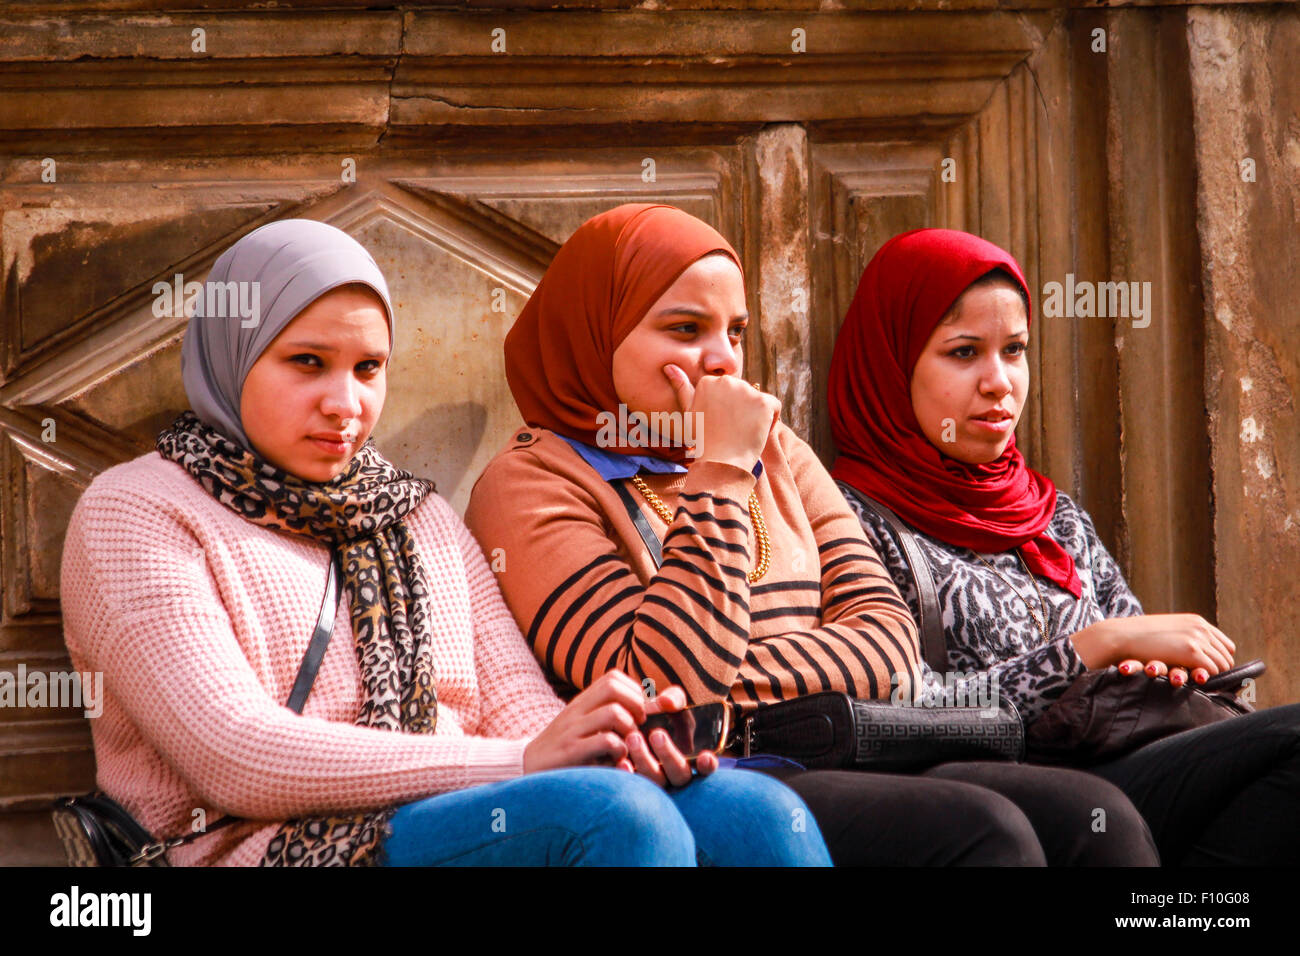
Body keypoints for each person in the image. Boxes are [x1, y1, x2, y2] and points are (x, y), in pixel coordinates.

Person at [58, 218, 832, 867]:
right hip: (251, 849)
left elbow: (522, 714)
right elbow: (235, 756)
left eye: (368, 368)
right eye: (306, 364)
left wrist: (616, 743)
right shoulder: (139, 511)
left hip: (456, 814)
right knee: (617, 819)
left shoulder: (412, 515)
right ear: (231, 356)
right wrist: (525, 764)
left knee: (753, 811)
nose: (346, 403)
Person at [465, 203, 1159, 866]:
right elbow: (658, 681)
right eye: (684, 331)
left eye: (734, 332)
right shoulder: (533, 481)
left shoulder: (779, 449)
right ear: (595, 330)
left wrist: (729, 687)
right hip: (708, 776)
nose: (722, 361)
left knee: (1092, 819)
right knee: (987, 834)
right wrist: (723, 467)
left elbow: (891, 646)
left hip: (846, 744)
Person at [828, 226, 1300, 866]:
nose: (999, 382)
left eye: (1014, 349)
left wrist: (1153, 665)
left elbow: (1132, 654)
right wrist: (1092, 648)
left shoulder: (1054, 516)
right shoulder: (851, 519)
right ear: (891, 358)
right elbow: (901, 708)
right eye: (964, 353)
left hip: (1126, 766)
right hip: (1006, 790)